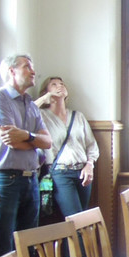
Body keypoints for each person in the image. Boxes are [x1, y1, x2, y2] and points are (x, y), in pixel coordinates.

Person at [0, 53, 51, 257]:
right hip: (6, 178)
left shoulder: (30, 103)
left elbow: (47, 142)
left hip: (31, 178)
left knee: (27, 242)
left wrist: (27, 136)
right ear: (12, 71)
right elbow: (10, 140)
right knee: (1, 243)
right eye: (27, 67)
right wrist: (33, 141)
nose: (33, 72)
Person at [35, 76, 99, 218]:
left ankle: (71, 242)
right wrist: (44, 99)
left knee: (83, 220)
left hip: (83, 173)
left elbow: (91, 145)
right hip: (60, 173)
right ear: (45, 91)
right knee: (76, 219)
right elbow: (27, 113)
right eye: (54, 85)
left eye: (62, 84)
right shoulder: (42, 116)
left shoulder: (78, 116)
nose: (59, 87)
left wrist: (90, 165)